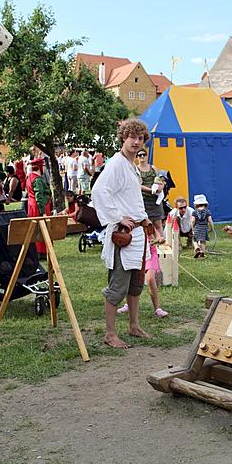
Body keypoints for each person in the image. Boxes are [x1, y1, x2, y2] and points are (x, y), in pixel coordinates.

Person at [91, 118, 153, 349]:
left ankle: (134, 325)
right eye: (132, 137)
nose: (136, 142)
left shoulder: (130, 165)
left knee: (136, 284)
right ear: (124, 137)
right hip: (123, 235)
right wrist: (118, 218)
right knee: (118, 286)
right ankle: (110, 333)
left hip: (137, 233)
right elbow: (99, 191)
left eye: (140, 138)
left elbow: (129, 197)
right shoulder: (117, 163)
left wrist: (142, 217)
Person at [117, 232, 169, 319]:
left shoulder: (147, 223)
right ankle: (128, 305)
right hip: (136, 253)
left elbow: (156, 233)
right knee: (131, 279)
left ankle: (157, 309)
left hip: (150, 253)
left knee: (150, 279)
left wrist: (159, 238)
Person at [136, 149, 166, 243]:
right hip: (143, 200)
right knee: (145, 224)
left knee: (158, 223)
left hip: (156, 199)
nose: (142, 157)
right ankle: (148, 245)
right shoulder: (136, 169)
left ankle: (161, 245)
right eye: (139, 155)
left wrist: (161, 186)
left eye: (144, 155)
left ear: (147, 156)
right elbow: (137, 185)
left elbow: (160, 179)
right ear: (137, 157)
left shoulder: (153, 168)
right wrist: (151, 190)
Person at [26, 158, 52, 253]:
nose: (45, 168)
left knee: (35, 229)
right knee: (42, 229)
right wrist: (43, 212)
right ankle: (42, 251)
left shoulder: (30, 177)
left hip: (32, 206)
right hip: (39, 207)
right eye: (44, 166)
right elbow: (39, 197)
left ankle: (36, 251)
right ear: (40, 167)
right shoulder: (38, 180)